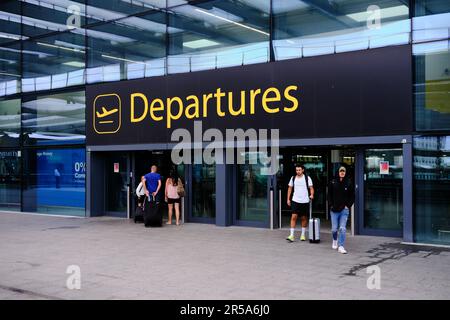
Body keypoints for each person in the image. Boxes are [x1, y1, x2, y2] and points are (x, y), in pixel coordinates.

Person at [328, 166, 355, 254]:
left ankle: (341, 246)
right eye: (341, 171)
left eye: (344, 171)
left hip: (344, 210)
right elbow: (329, 195)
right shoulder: (333, 181)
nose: (342, 172)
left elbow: (352, 196)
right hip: (334, 210)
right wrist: (331, 205)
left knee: (342, 228)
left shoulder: (349, 182)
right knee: (334, 229)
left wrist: (348, 205)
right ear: (338, 172)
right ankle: (335, 240)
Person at [286, 164, 314, 242]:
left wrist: (312, 194)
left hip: (305, 201)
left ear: (302, 170)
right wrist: (288, 199)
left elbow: (311, 188)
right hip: (295, 200)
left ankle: (303, 234)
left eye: (299, 170)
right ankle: (291, 235)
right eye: (296, 170)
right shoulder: (293, 178)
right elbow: (289, 189)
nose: (298, 171)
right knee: (293, 216)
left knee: (303, 218)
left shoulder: (307, 178)